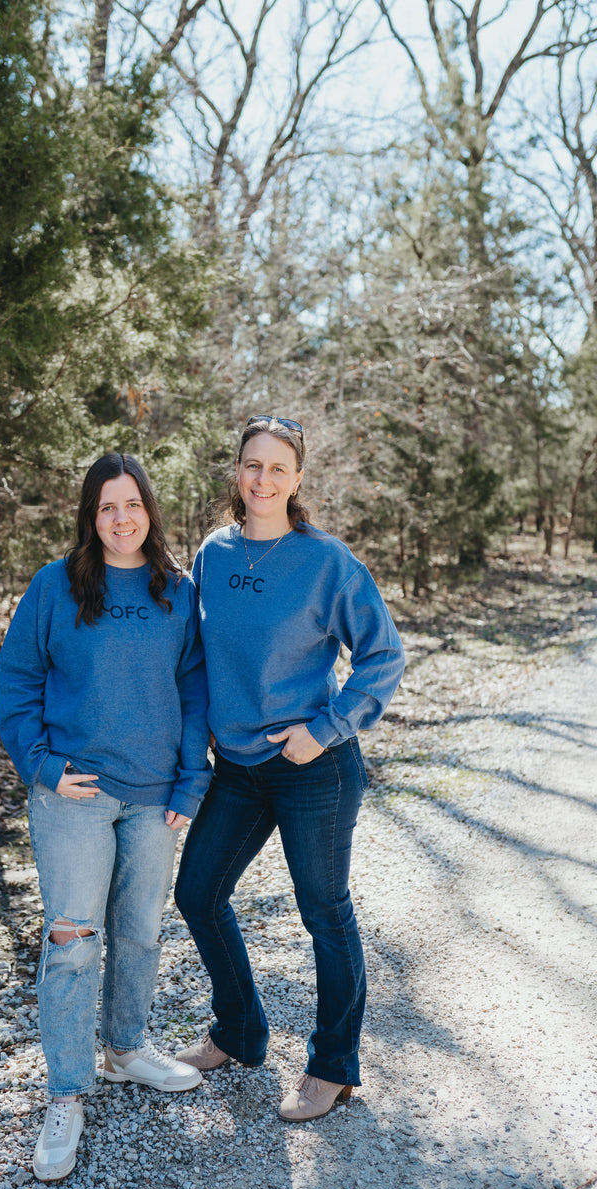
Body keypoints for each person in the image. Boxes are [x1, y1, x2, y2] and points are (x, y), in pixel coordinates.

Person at [173, 415, 405, 1122]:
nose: (263, 479)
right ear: (236, 471)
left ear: (297, 478)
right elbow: (196, 657)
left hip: (314, 767)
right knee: (198, 893)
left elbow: (382, 656)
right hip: (238, 768)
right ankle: (239, 1031)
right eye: (253, 464)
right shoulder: (214, 553)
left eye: (278, 468)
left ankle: (332, 1065)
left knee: (324, 912)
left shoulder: (327, 561)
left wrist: (326, 728)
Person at [0, 452, 211, 1182]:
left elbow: (194, 690)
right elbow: (15, 680)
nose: (122, 518)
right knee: (73, 939)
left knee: (139, 930)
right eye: (107, 506)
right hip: (74, 796)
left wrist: (191, 780)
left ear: (150, 510)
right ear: (91, 515)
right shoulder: (55, 586)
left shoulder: (176, 590)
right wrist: (42, 764)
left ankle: (125, 1049)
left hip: (154, 795)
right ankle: (65, 1092)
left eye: (133, 504)